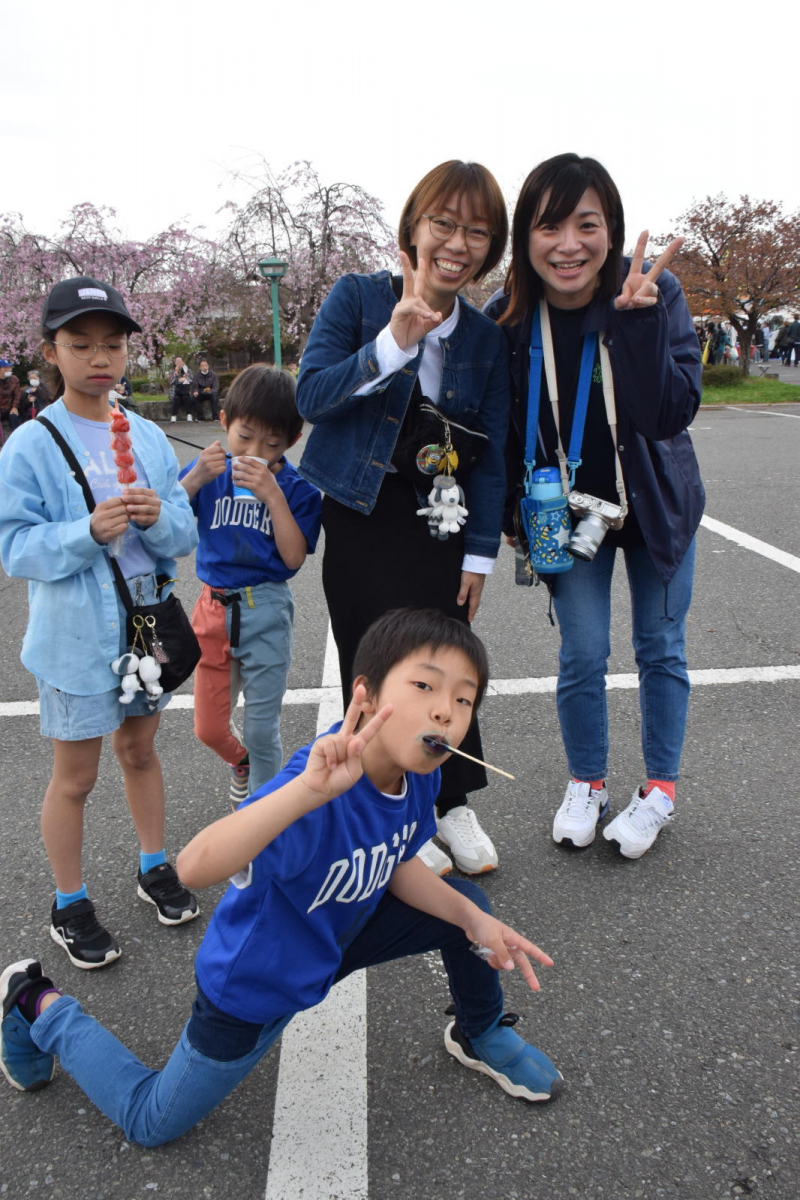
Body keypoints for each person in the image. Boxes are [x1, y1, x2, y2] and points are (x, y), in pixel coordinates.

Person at [0, 608, 562, 1139]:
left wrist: (471, 920)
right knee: (151, 1122)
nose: (446, 712)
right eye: (425, 687)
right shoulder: (316, 786)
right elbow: (196, 866)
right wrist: (303, 793)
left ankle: (479, 1030)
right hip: (258, 978)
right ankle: (36, 1005)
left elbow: (394, 861)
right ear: (364, 698)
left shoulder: (421, 778)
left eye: (464, 701)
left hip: (338, 935)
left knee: (470, 907)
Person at [485, 153, 704, 860]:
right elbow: (495, 431)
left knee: (659, 647)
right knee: (582, 651)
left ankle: (660, 791)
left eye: (587, 223)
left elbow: (666, 414)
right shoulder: (510, 316)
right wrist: (511, 520)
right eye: (550, 226)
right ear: (527, 237)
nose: (569, 244)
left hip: (655, 507)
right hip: (565, 514)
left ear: (611, 230)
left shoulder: (654, 294)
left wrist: (635, 327)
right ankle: (588, 782)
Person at [297, 161, 511, 877]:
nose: (458, 242)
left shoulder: (483, 338)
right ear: (413, 230)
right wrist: (390, 344)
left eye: (477, 231)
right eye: (444, 223)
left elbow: (495, 453)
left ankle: (452, 801)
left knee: (447, 666)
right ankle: (393, 809)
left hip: (440, 521)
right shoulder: (358, 298)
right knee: (378, 663)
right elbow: (312, 397)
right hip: (360, 511)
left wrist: (481, 554)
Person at [0, 276, 200, 970]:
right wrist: (84, 531)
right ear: (50, 351)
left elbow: (182, 529)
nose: (99, 357)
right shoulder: (30, 444)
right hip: (76, 640)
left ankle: (153, 864)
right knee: (75, 777)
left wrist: (159, 517)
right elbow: (14, 546)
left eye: (112, 344)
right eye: (79, 343)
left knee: (141, 751)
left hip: (144, 629)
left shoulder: (143, 435)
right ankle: (69, 900)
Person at [179, 365, 322, 805]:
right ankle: (240, 761)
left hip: (266, 608)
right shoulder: (208, 471)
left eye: (273, 444)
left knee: (262, 727)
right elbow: (167, 526)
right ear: (224, 422)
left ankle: (261, 817)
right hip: (211, 607)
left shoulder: (298, 490)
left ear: (291, 443)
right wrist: (193, 480)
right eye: (245, 437)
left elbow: (294, 557)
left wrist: (274, 495)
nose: (256, 452)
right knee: (208, 728)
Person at [0, 358, 23, 437]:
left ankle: (17, 438)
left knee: (14, 417)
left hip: (9, 407)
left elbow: (17, 394)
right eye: (6, 368)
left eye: (9, 367)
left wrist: (14, 407)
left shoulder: (14, 379)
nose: (9, 369)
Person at [169, 356, 195, 421]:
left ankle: (189, 414)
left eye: (180, 361)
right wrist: (176, 373)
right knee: (176, 398)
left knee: (185, 397)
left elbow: (191, 380)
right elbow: (172, 382)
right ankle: (173, 415)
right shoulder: (171, 372)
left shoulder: (187, 371)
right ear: (175, 363)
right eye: (177, 361)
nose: (179, 363)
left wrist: (183, 379)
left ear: (183, 362)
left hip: (185, 392)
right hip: (175, 392)